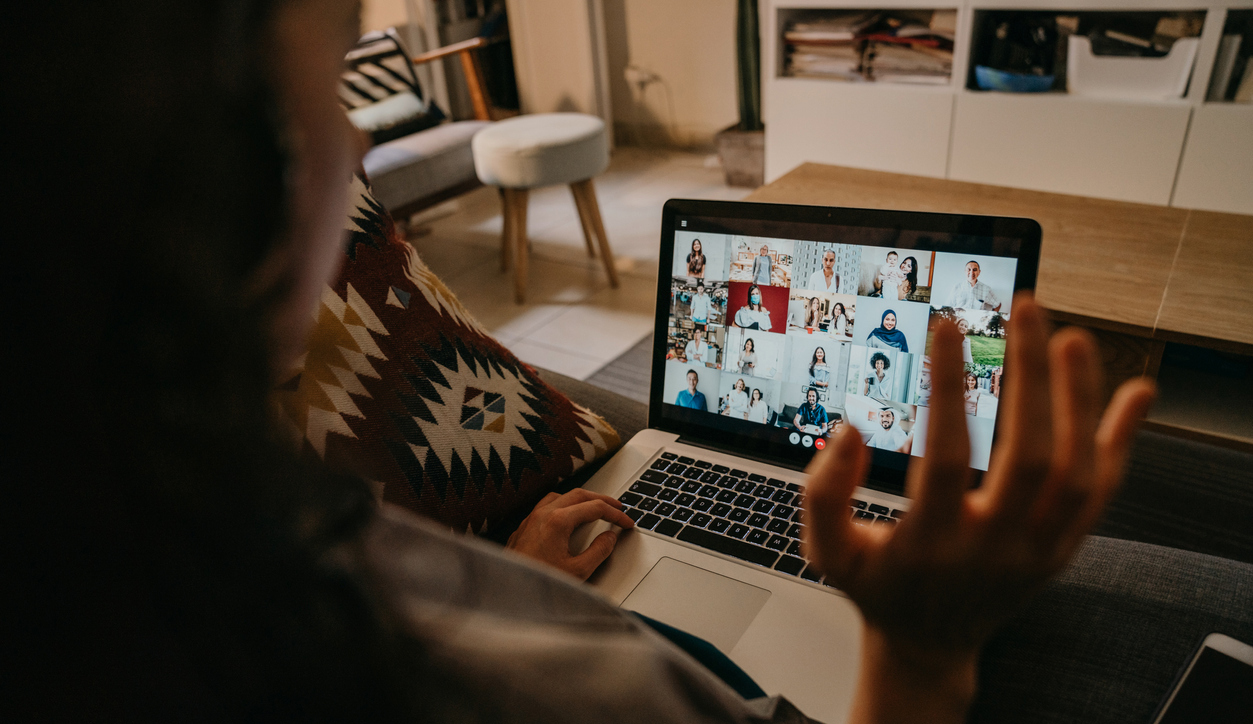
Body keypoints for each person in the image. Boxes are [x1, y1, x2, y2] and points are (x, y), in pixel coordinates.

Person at [14, 2, 1162, 721]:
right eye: (328, 96)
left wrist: (512, 573)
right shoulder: (480, 669)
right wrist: (922, 653)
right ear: (226, 187)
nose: (360, 142)